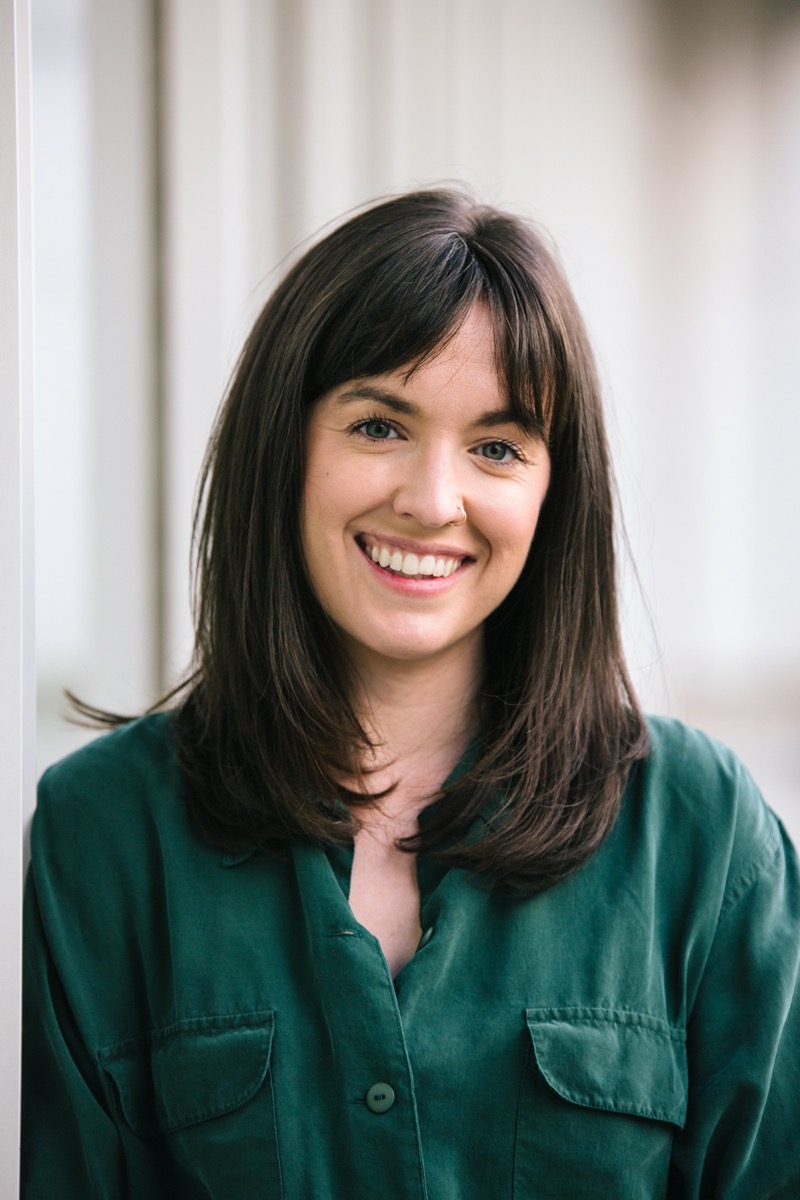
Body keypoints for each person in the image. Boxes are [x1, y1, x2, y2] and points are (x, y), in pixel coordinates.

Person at [22, 188, 800, 1199]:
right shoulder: (103, 838)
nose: (432, 501)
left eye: (495, 447)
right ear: (285, 445)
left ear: (551, 491)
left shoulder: (699, 835)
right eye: (380, 425)